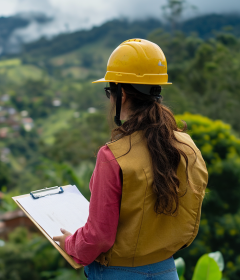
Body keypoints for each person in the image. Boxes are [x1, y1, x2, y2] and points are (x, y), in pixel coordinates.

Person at [52, 39, 208, 279]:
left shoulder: (113, 156)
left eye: (109, 92)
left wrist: (69, 243)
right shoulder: (188, 147)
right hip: (167, 270)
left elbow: (98, 237)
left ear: (121, 94)